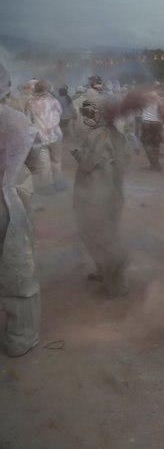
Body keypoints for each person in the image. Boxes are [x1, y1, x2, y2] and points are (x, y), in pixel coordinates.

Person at [0, 63, 41, 357]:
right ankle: (19, 338)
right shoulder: (16, 119)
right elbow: (35, 159)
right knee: (17, 273)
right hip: (9, 204)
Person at [72, 97, 130, 298]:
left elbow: (88, 163)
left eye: (92, 112)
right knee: (103, 234)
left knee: (101, 236)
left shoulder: (98, 135)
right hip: (111, 191)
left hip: (96, 194)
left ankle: (117, 283)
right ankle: (104, 273)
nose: (88, 116)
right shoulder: (116, 134)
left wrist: (78, 154)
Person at [26, 80, 66, 194]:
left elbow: (28, 121)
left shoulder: (30, 102)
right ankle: (58, 183)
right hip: (56, 134)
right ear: (48, 89)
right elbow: (59, 114)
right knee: (57, 161)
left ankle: (47, 187)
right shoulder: (54, 101)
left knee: (44, 164)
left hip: (40, 137)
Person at [140, 86, 164, 171]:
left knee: (147, 143)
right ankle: (156, 163)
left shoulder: (144, 97)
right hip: (156, 122)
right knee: (156, 144)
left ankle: (153, 163)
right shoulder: (159, 98)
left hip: (146, 122)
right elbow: (162, 111)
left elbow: (140, 107)